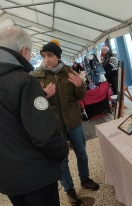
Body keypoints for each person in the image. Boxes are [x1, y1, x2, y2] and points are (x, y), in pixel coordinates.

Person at [0, 26, 69, 206]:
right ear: (24, 51)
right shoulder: (24, 80)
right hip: (36, 175)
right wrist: (62, 150)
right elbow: (45, 134)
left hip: (7, 175)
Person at [30, 39, 100, 205]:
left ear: (58, 56)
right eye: (44, 55)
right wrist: (44, 96)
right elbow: (34, 105)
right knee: (62, 160)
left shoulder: (70, 72)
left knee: (82, 153)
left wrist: (80, 85)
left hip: (74, 122)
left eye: (50, 55)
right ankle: (69, 189)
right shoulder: (35, 77)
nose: (47, 59)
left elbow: (81, 97)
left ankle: (85, 179)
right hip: (54, 127)